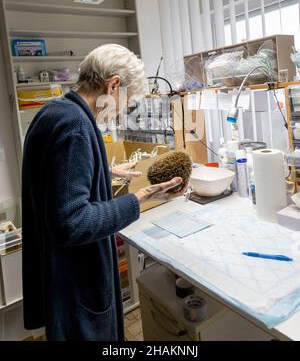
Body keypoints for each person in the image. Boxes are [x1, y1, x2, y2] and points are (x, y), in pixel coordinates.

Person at [22, 44, 185, 341]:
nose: (122, 110)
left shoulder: (55, 111)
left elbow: (52, 179)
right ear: (113, 85)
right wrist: (139, 198)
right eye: (127, 102)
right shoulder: (75, 126)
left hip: (58, 275)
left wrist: (104, 169)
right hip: (77, 285)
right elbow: (73, 222)